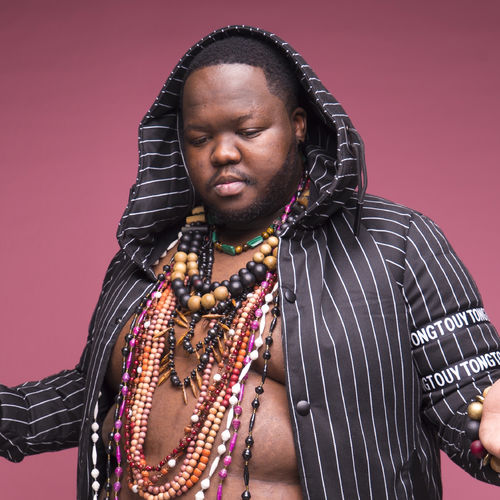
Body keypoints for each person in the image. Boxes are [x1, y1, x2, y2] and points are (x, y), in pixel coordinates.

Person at [1, 25, 499, 500]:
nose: (222, 152)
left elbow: (469, 396)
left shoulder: (394, 243)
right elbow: (96, 392)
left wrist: (492, 435)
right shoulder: (149, 258)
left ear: (298, 125)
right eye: (200, 138)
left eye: (249, 130)